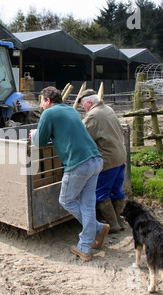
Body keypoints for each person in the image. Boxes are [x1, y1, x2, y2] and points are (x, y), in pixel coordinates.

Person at [30, 86, 110, 262]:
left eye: (42, 101)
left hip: (79, 164)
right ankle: (91, 237)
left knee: (66, 200)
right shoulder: (71, 111)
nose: (41, 105)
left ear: (48, 101)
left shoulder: (48, 114)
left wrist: (34, 134)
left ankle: (90, 238)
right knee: (87, 205)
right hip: (95, 159)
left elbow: (40, 141)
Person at [78, 89, 127, 233]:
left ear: (89, 102)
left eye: (82, 104)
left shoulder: (93, 115)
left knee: (100, 192)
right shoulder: (108, 109)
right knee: (116, 189)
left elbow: (84, 137)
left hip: (107, 160)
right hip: (120, 156)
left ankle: (112, 225)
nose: (82, 107)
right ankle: (120, 220)